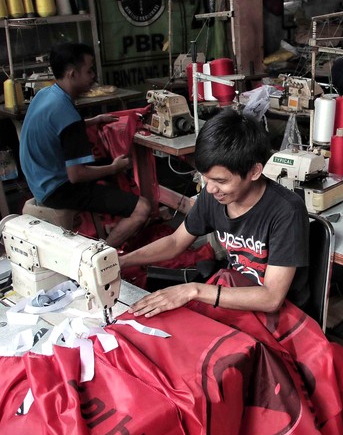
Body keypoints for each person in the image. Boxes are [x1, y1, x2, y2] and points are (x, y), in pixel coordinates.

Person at [121, 111, 310, 317]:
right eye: (206, 178)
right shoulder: (213, 196)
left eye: (221, 181)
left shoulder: (286, 212)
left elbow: (271, 298)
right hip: (236, 293)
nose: (210, 189)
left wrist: (195, 290)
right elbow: (176, 242)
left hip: (282, 315)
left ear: (255, 172)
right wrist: (123, 261)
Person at [19, 42, 150, 248]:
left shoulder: (47, 95)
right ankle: (98, 254)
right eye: (89, 71)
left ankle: (110, 222)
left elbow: (56, 129)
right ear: (72, 74)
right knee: (142, 208)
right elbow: (77, 175)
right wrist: (114, 167)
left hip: (38, 179)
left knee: (107, 167)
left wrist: (93, 120)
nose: (93, 77)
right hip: (58, 189)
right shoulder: (67, 114)